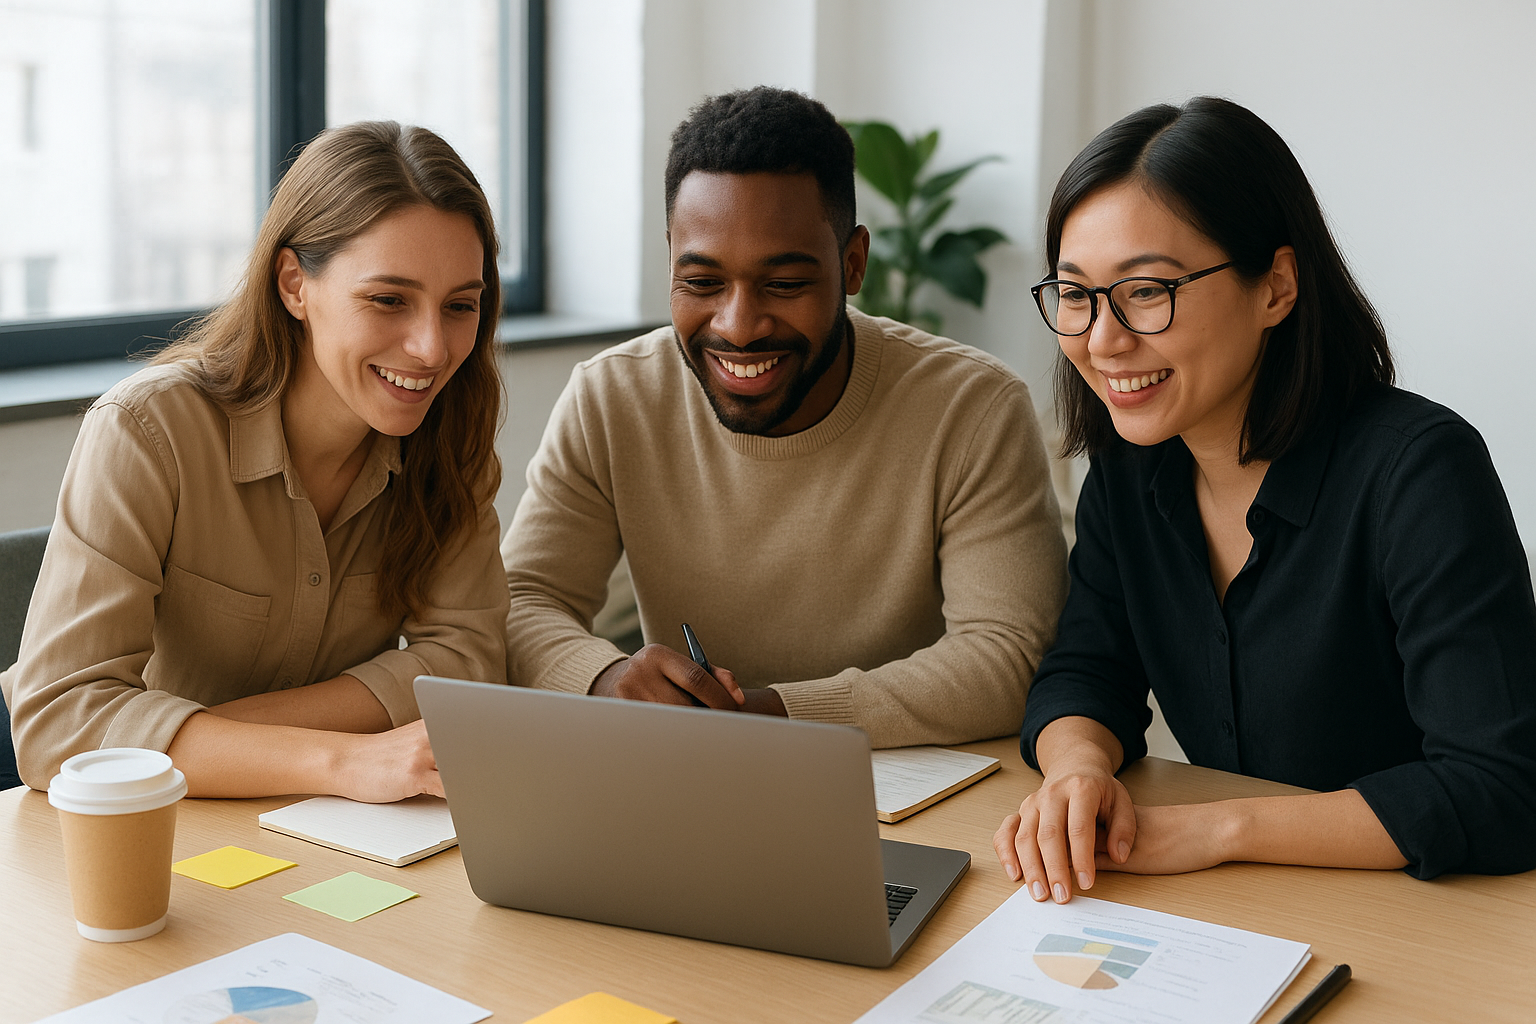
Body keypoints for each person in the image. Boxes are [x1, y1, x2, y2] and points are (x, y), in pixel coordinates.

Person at [994, 97, 1536, 898]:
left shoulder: (1420, 472)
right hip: (1240, 910)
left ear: (1276, 286)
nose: (1103, 339)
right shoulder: (1132, 465)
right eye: (1075, 294)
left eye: (1146, 290)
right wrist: (1075, 774)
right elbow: (1086, 670)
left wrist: (1221, 829)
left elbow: (1501, 787)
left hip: (1422, 915)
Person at [502, 86, 1068, 747]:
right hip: (693, 781)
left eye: (785, 284)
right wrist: (604, 678)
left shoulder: (973, 408)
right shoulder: (610, 397)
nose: (739, 327)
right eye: (703, 282)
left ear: (852, 263)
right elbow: (518, 602)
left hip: (914, 792)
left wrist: (767, 716)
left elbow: (1009, 656)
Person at [2, 122, 509, 801]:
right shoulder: (146, 432)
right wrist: (338, 759)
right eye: (388, 299)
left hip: (296, 816)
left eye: (460, 307)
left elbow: (468, 661)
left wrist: (212, 737)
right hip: (132, 821)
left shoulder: (451, 438)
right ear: (295, 284)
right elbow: (58, 729)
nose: (431, 348)